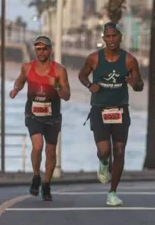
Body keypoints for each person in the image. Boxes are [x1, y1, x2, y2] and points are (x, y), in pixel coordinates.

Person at [78, 22, 144, 207]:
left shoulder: (129, 60)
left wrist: (134, 83)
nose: (111, 40)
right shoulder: (94, 59)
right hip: (100, 110)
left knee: (120, 151)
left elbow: (140, 85)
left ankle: (112, 192)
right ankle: (103, 162)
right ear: (103, 38)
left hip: (120, 109)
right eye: (108, 36)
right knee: (105, 150)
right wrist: (90, 86)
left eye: (114, 36)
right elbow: (82, 75)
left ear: (120, 37)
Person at [10, 35, 70, 201]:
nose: (41, 52)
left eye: (44, 48)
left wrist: (56, 85)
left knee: (50, 152)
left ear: (50, 50)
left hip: (52, 116)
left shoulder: (59, 71)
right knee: (37, 146)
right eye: (38, 49)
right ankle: (36, 175)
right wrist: (16, 89)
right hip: (33, 114)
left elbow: (66, 96)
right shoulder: (27, 68)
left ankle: (46, 184)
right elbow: (21, 81)